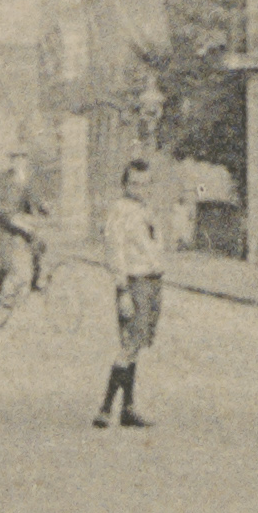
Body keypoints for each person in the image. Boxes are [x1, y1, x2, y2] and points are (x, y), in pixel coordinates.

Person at [95, 158, 164, 430]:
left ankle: (128, 408)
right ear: (125, 185)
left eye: (145, 184)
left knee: (136, 344)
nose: (140, 189)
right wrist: (122, 290)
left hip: (152, 282)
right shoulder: (120, 211)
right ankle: (105, 409)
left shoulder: (146, 210)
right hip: (134, 283)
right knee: (129, 345)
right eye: (134, 184)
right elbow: (115, 251)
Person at [0, 159, 46, 295]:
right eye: (17, 158)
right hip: (3, 224)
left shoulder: (25, 178)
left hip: (18, 222)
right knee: (7, 260)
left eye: (23, 158)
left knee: (37, 245)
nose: (20, 162)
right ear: (11, 162)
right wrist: (12, 218)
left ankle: (35, 282)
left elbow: (32, 196)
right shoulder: (3, 179)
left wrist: (43, 207)